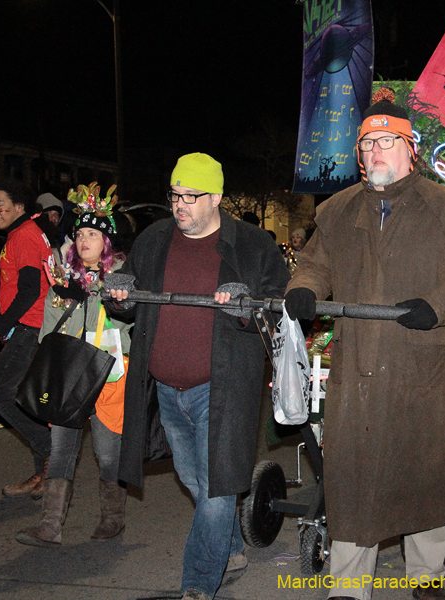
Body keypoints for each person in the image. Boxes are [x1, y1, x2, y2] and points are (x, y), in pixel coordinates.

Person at [284, 88, 445, 600]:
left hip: (419, 371)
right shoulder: (336, 211)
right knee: (352, 480)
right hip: (357, 370)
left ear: (410, 149)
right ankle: (347, 588)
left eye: (386, 141)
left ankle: (426, 579)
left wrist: (437, 304)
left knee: (422, 474)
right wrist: (303, 291)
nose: (375, 152)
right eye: (367, 145)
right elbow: (315, 265)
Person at [106, 153, 289, 600]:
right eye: (174, 195)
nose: (180, 205)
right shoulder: (153, 240)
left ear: (217, 198)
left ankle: (196, 584)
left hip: (222, 390)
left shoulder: (252, 245)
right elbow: (124, 298)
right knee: (195, 481)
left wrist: (248, 304)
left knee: (216, 490)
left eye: (191, 196)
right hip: (167, 390)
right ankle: (232, 549)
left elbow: (277, 305)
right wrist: (120, 295)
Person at [16, 186, 132, 546]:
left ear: (107, 241)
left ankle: (113, 518)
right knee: (62, 449)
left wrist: (111, 297)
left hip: (109, 374)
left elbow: (132, 322)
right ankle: (50, 526)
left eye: (93, 234)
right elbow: (48, 330)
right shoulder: (63, 277)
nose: (83, 240)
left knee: (108, 455)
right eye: (79, 233)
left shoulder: (125, 279)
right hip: (68, 373)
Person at [0, 180, 54, 497]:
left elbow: (31, 290)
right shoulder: (24, 234)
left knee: (1, 396)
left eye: (0, 205)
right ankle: (43, 471)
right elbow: (24, 285)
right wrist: (2, 302)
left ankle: (50, 455)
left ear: (20, 207)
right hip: (27, 325)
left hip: (29, 329)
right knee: (27, 402)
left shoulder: (24, 237)